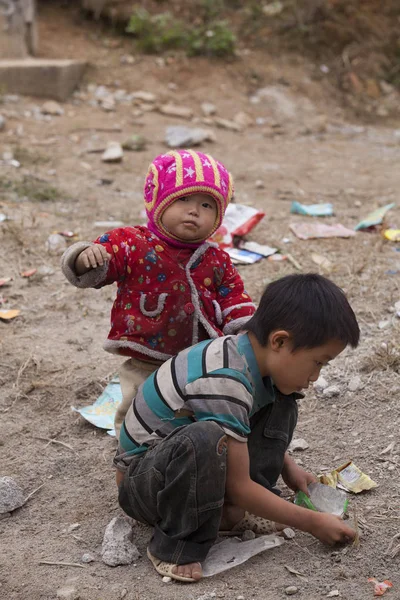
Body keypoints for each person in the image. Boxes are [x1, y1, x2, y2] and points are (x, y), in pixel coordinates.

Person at [114, 273, 360, 583]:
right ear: (280, 341)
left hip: (179, 465)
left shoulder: (249, 358)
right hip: (145, 485)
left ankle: (237, 506)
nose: (316, 375)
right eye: (318, 362)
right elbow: (225, 461)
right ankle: (175, 546)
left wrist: (288, 466)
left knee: (282, 397)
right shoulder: (225, 377)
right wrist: (311, 522)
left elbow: (239, 425)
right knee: (205, 439)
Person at [61, 150, 255, 437]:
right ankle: (130, 456)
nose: (194, 211)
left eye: (206, 204)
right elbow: (99, 267)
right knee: (137, 409)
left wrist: (247, 334)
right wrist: (84, 256)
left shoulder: (216, 258)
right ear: (159, 202)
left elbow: (234, 299)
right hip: (147, 356)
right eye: (183, 199)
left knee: (197, 407)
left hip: (200, 360)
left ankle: (188, 447)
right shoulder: (132, 242)